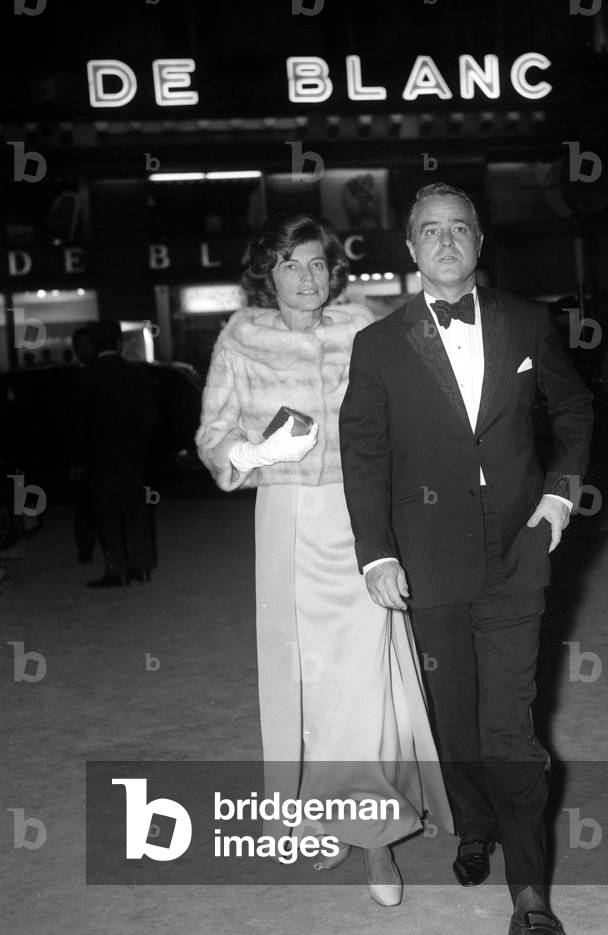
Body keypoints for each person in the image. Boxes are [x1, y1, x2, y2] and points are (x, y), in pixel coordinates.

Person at [339, 183, 594, 935]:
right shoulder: (379, 344)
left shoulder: (527, 321)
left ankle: (530, 894)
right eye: (430, 230)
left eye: (460, 229)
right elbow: (365, 456)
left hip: (520, 549)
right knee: (455, 721)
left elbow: (576, 411)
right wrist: (376, 553)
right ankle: (473, 820)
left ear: (480, 244)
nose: (446, 240)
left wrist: (558, 498)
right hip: (426, 559)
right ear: (411, 249)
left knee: (510, 723)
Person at [196, 212, 452, 907]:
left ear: (331, 270)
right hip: (286, 523)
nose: (305, 277)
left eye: (315, 263)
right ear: (266, 273)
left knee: (366, 685)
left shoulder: (363, 327)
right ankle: (324, 814)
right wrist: (252, 454)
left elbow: (414, 413)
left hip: (361, 519)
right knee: (304, 683)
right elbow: (214, 435)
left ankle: (375, 841)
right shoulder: (242, 335)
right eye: (289, 264)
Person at [71, 319, 157, 587]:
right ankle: (141, 565)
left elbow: (78, 423)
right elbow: (149, 416)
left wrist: (78, 459)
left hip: (100, 457)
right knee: (135, 510)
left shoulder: (86, 377)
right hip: (131, 456)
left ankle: (116, 567)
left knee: (107, 514)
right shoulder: (135, 374)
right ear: (119, 343)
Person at [69, 325, 99, 563]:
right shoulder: (74, 378)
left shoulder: (95, 375)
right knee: (85, 506)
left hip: (101, 452)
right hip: (88, 453)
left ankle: (90, 547)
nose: (82, 350)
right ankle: (86, 548)